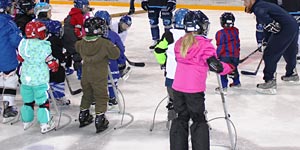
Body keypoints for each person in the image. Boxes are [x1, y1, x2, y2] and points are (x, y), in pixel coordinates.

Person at [169, 10, 235, 150]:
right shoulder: (204, 45)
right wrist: (229, 67)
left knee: (181, 118)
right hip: (194, 91)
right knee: (199, 120)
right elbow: (215, 66)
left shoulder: (180, 42)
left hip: (177, 89)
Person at [244, 0, 299, 94]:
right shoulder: (262, 4)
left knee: (270, 54)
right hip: (293, 25)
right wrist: (267, 39)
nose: (244, 4)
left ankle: (270, 81)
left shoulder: (258, 8)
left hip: (285, 28)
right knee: (289, 50)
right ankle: (291, 74)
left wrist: (268, 42)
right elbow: (270, 26)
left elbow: (274, 27)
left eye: (245, 1)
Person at [75, 17, 120, 133]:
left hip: (85, 74)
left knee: (87, 94)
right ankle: (100, 118)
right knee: (101, 96)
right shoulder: (105, 43)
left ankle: (83, 114)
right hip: (99, 75)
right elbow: (115, 54)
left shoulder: (81, 43)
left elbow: (76, 47)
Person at [18, 21, 59, 133]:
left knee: (27, 101)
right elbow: (51, 64)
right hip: (39, 79)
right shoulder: (43, 46)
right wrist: (55, 65)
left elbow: (20, 58)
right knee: (43, 102)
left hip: (25, 78)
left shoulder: (23, 43)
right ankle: (45, 124)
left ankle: (26, 121)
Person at [154, 8, 189, 124]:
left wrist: (164, 63)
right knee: (191, 100)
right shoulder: (193, 36)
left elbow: (158, 50)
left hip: (171, 76)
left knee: (173, 100)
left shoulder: (168, 35)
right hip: (189, 77)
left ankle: (173, 123)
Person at [95, 10, 127, 106]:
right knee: (112, 82)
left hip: (95, 65)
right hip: (111, 64)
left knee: (97, 83)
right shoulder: (113, 35)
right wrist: (122, 62)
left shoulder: (90, 36)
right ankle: (112, 98)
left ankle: (97, 99)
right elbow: (120, 50)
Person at [0, 0, 22, 123]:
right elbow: (16, 42)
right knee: (10, 80)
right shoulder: (9, 23)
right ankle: (8, 107)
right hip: (6, 58)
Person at [62, 0, 92, 79]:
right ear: (80, 7)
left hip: (65, 37)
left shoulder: (73, 12)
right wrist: (81, 37)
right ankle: (79, 72)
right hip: (72, 37)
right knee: (77, 53)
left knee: (68, 52)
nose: (87, 9)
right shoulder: (78, 15)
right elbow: (77, 30)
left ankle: (66, 67)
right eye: (85, 7)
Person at [215, 12, 241, 94]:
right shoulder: (236, 31)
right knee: (234, 68)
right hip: (235, 56)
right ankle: (236, 82)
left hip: (225, 56)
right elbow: (237, 43)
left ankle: (223, 87)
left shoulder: (220, 33)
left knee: (223, 71)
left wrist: (217, 56)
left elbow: (221, 46)